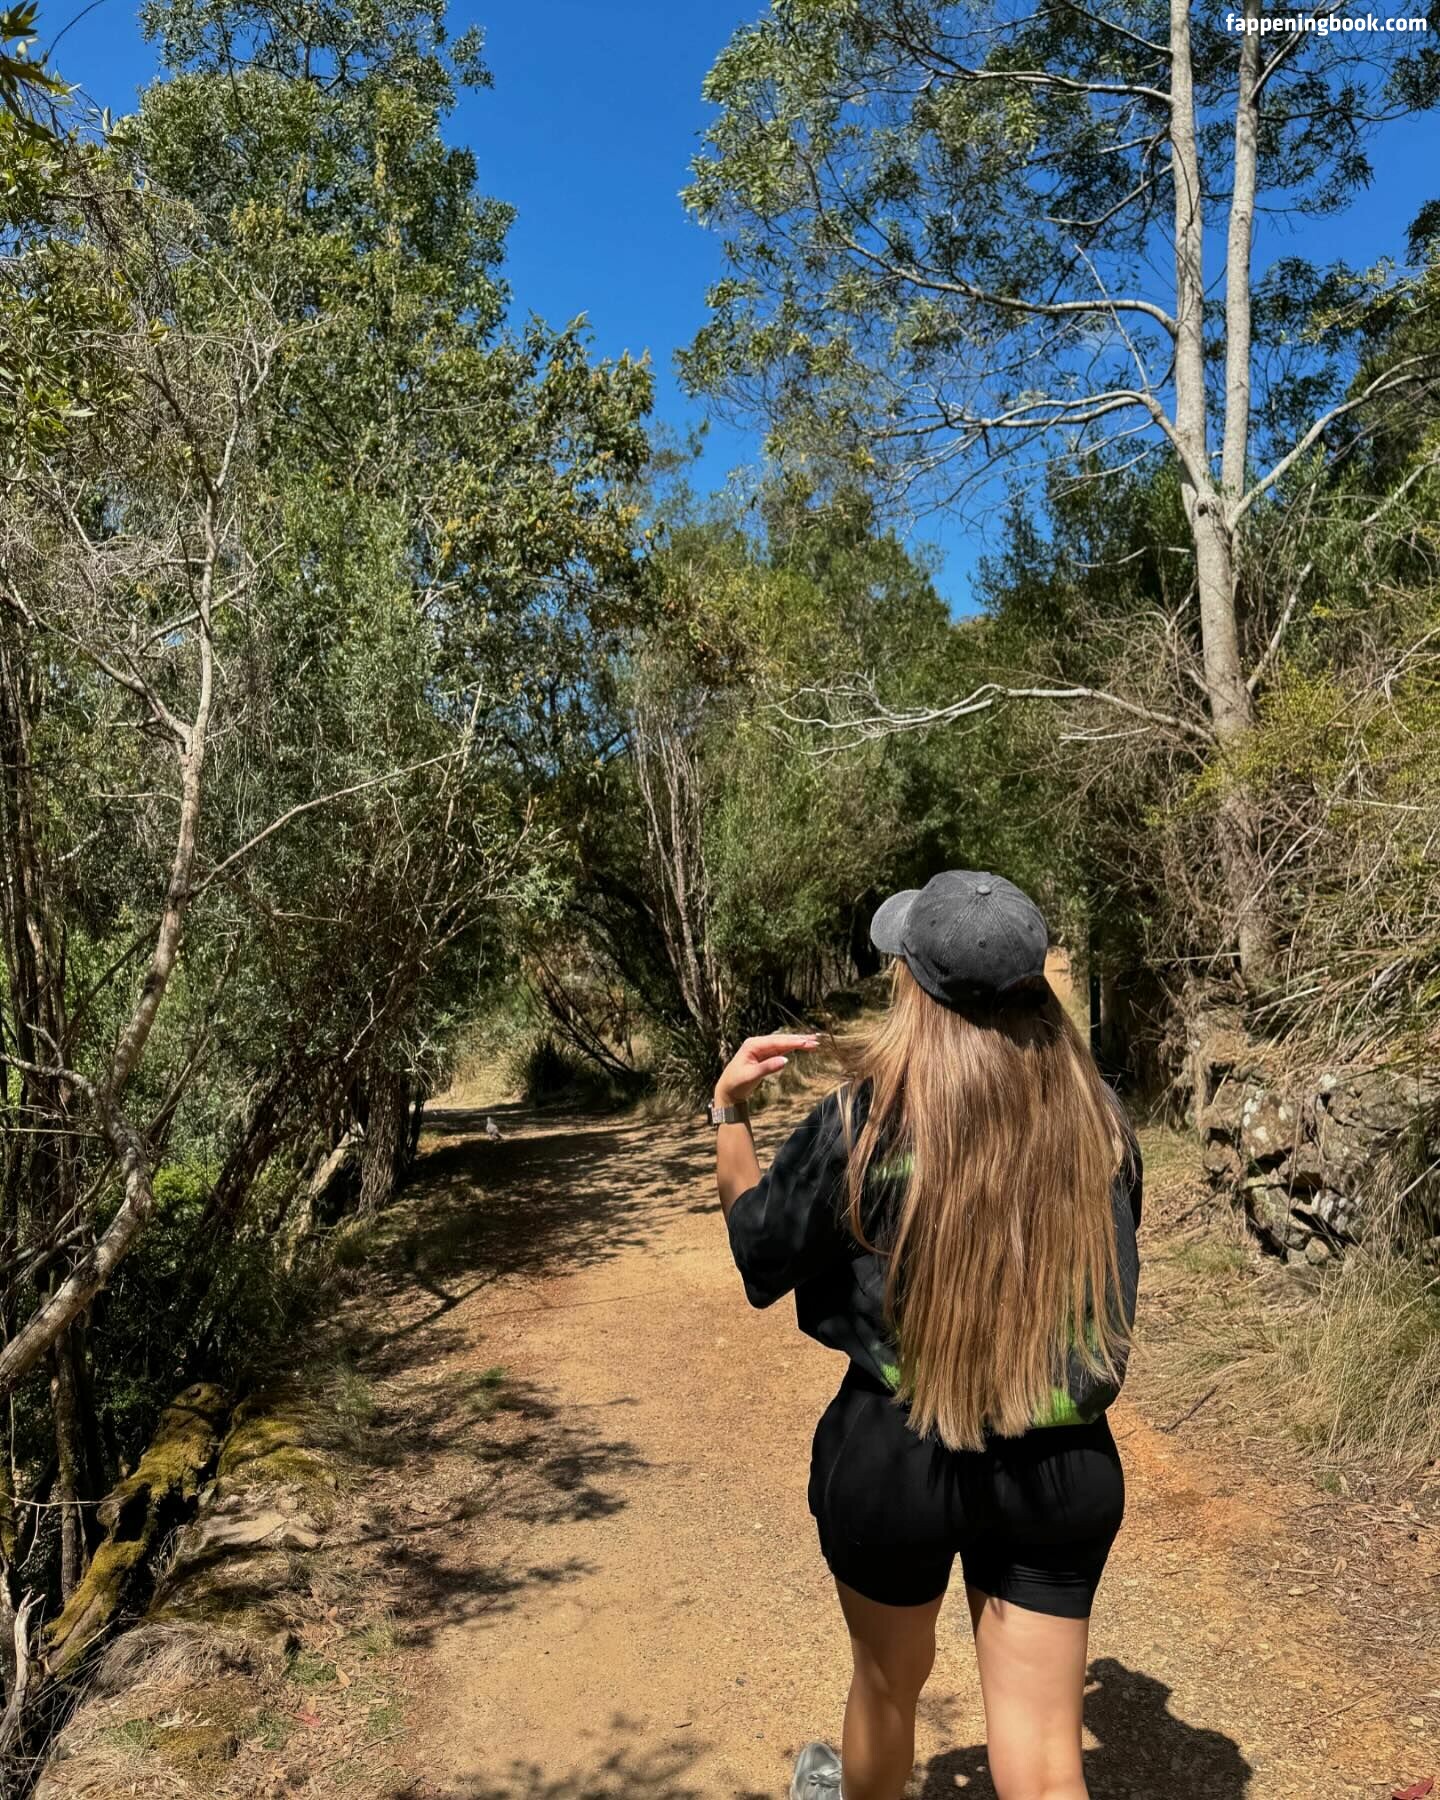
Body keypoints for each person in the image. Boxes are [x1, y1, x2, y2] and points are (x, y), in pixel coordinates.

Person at [709, 872, 1142, 1800]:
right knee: (1044, 1758)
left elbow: (759, 1253)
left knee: (885, 1687)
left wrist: (729, 1113)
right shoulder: (1100, 1123)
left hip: (895, 1454)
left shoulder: (862, 1124)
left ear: (913, 986)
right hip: (1059, 1461)